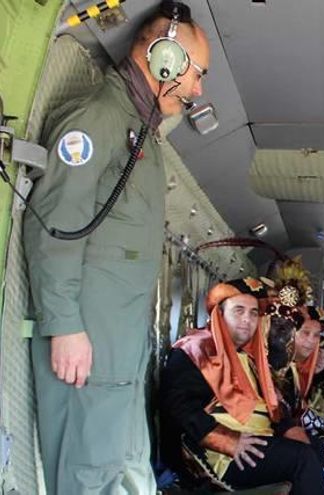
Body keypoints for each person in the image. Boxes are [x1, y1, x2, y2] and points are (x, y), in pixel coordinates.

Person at [23, 2, 209, 492]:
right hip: (87, 349)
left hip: (120, 358)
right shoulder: (99, 120)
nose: (198, 90)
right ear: (165, 60)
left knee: (128, 475)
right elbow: (55, 226)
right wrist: (63, 325)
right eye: (197, 75)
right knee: (89, 477)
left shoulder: (141, 136)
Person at [159, 277, 324, 494]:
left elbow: (271, 405)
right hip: (221, 455)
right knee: (301, 459)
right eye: (238, 310)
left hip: (258, 438)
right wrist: (229, 442)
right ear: (219, 314)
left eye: (253, 313)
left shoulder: (248, 358)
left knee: (316, 447)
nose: (247, 319)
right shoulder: (195, 349)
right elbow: (178, 408)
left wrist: (288, 428)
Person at [263, 258, 324, 495]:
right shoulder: (268, 362)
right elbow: (285, 417)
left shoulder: (293, 370)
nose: (310, 341)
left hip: (285, 429)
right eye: (304, 333)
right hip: (270, 434)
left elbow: (300, 410)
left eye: (316, 336)